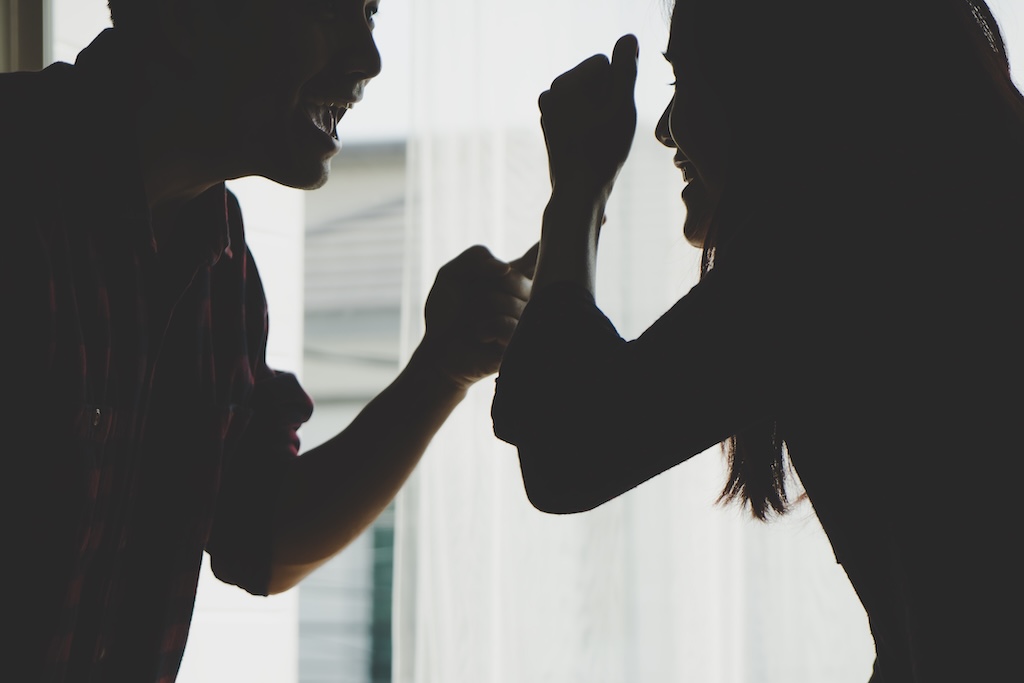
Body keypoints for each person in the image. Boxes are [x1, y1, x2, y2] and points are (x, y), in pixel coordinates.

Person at [0, 0, 535, 680]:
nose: (368, 59)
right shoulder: (16, 187)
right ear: (187, 17)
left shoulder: (219, 261)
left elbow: (262, 536)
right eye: (333, 12)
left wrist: (444, 368)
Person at [491, 0, 1022, 680]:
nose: (661, 129)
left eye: (685, 82)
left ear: (770, 83)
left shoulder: (841, 249)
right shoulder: (949, 205)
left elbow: (565, 450)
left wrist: (577, 194)